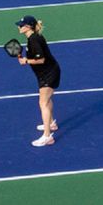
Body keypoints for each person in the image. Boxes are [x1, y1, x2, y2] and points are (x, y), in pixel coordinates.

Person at [16, 16, 60, 146]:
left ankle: (47, 137)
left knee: (43, 103)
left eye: (21, 25)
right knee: (46, 100)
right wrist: (25, 59)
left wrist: (26, 61)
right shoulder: (32, 38)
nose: (19, 27)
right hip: (45, 73)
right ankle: (51, 124)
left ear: (28, 27)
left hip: (49, 73)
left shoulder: (34, 39)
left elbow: (41, 60)